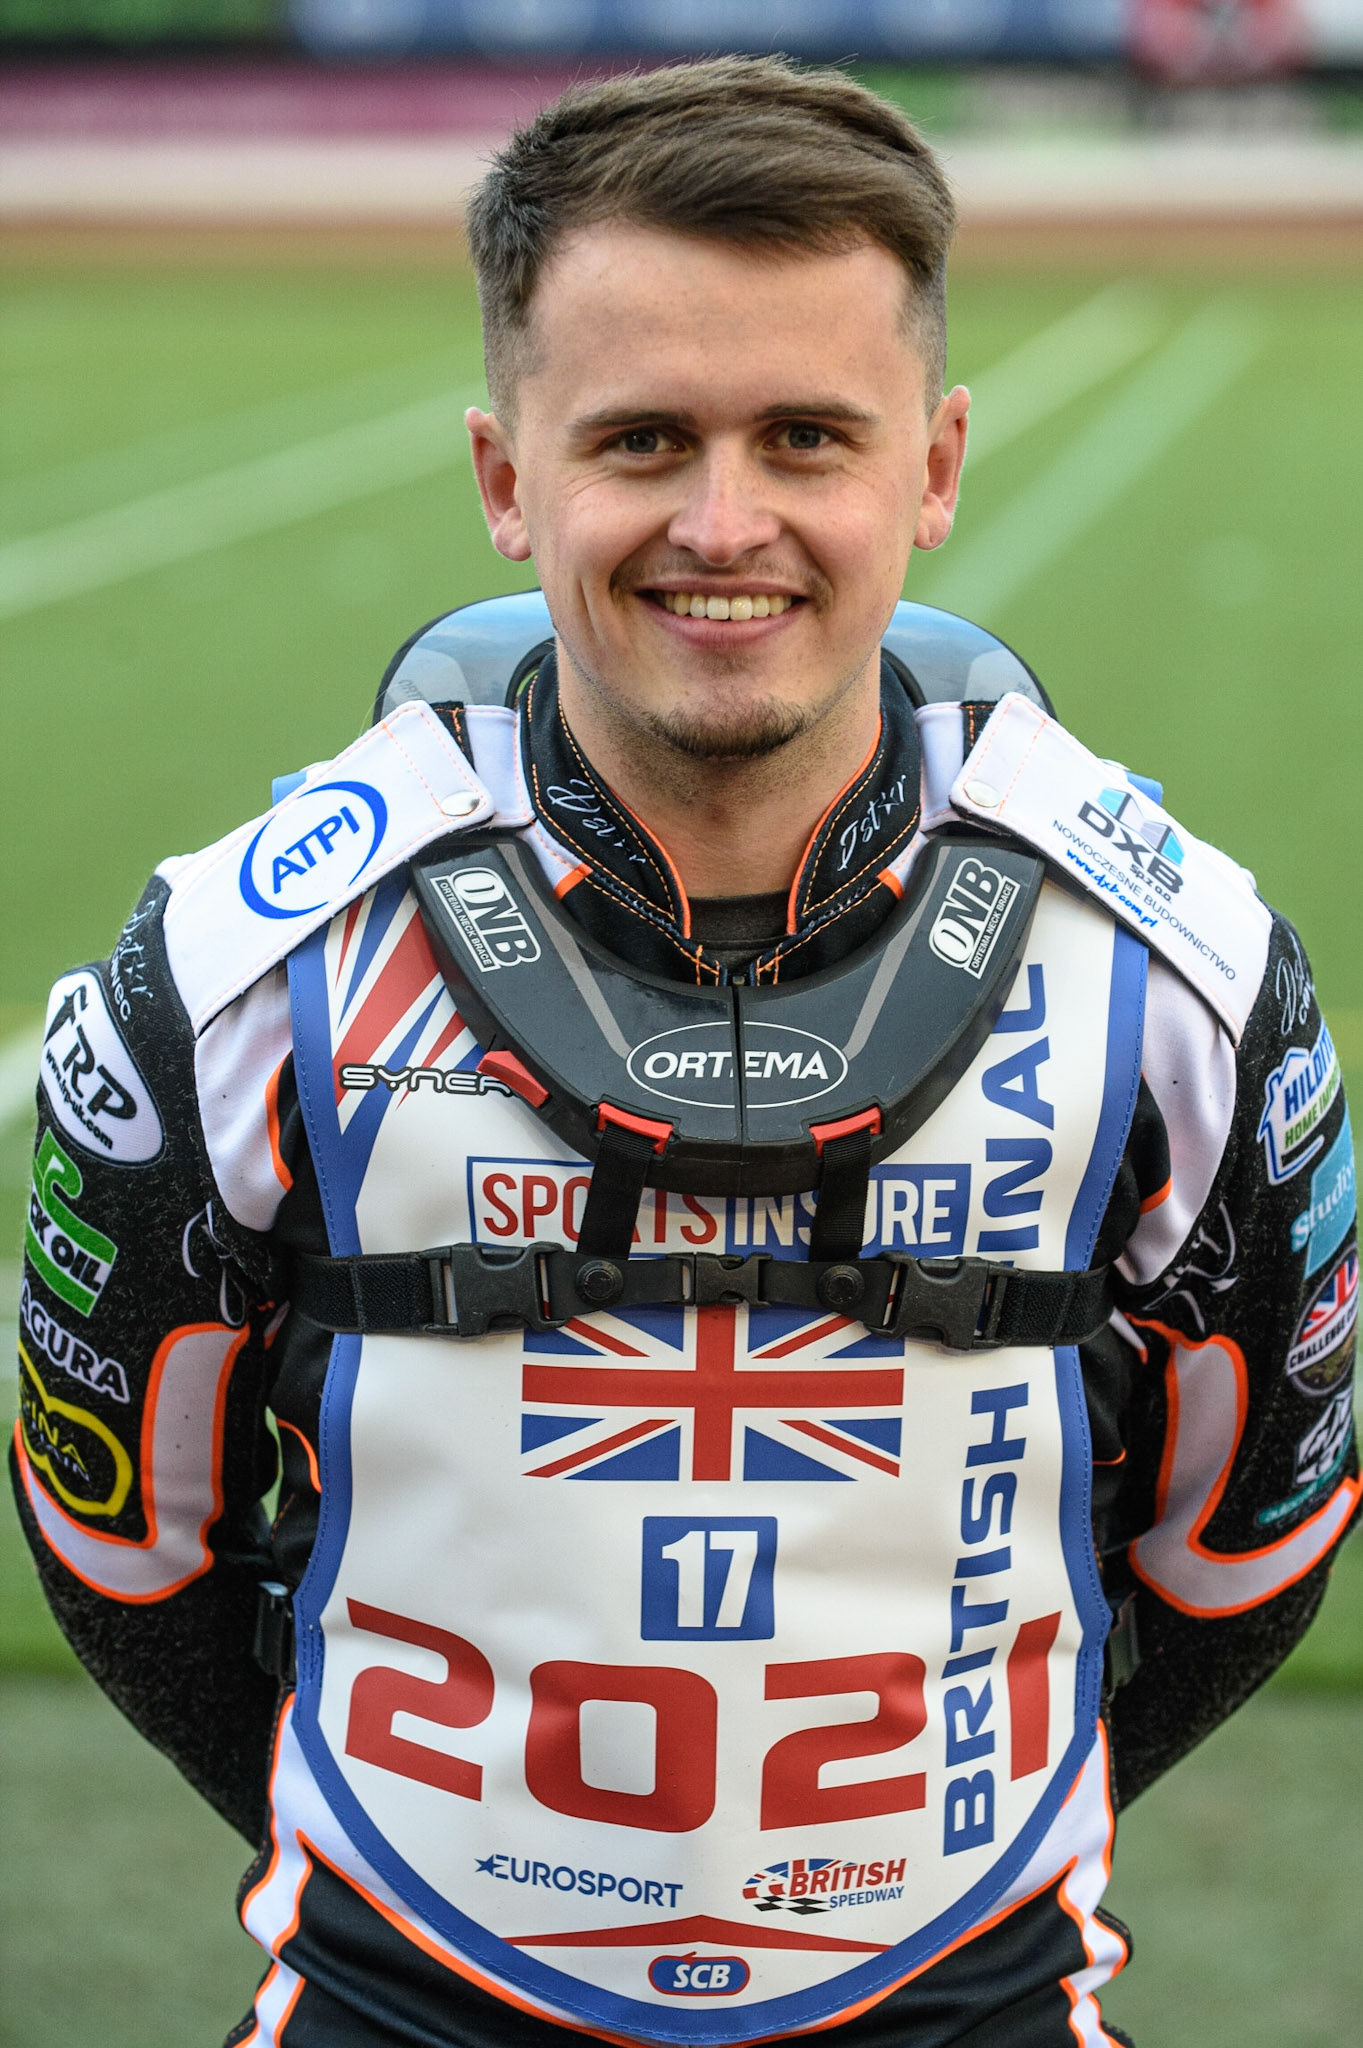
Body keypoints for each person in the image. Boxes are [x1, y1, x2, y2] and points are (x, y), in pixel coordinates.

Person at [13, 56, 1358, 2048]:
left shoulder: (1186, 971)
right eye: (640, 439)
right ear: (503, 474)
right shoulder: (230, 972)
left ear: (932, 465)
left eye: (806, 436)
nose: (723, 525)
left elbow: (1252, 1541)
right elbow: (119, 1537)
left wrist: (968, 1887)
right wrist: (390, 1889)